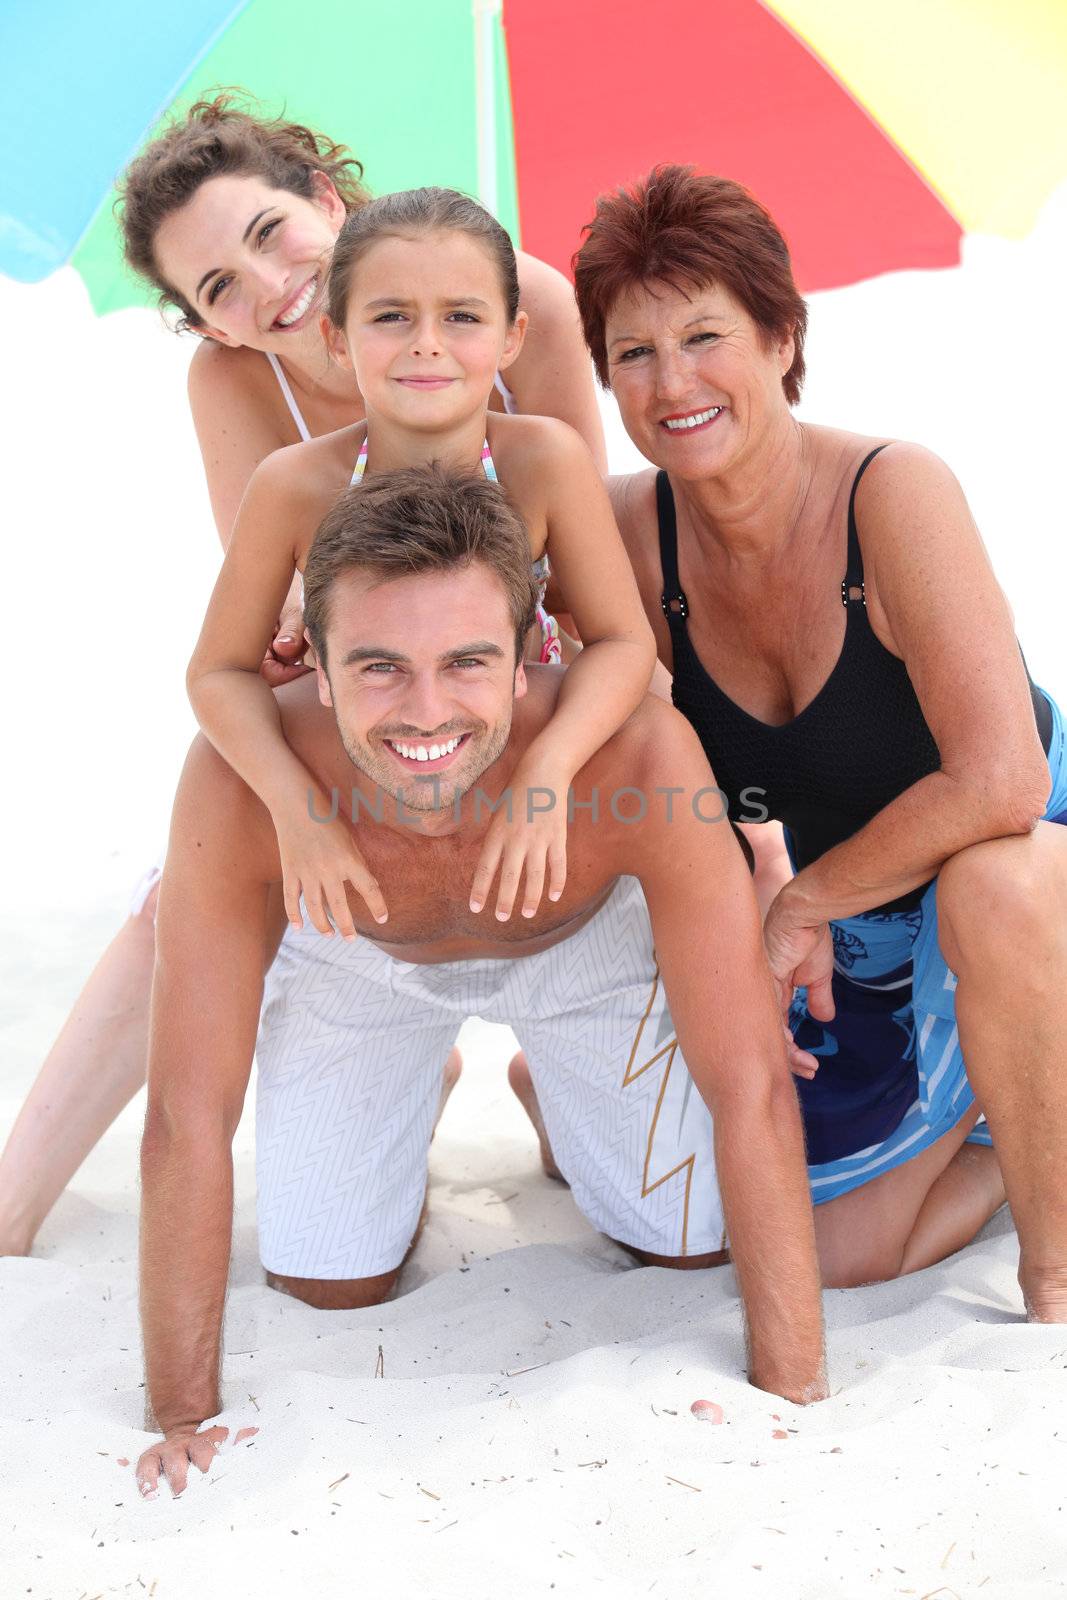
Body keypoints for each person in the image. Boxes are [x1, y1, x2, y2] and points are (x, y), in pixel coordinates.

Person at [134, 465, 826, 1497]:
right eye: (376, 667)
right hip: (359, 955)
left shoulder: (634, 756)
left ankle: (548, 1088)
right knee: (327, 1282)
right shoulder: (243, 776)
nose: (424, 711)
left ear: (519, 664)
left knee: (686, 1248)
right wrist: (181, 1412)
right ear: (313, 669)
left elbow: (750, 1084)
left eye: (466, 662)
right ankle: (422, 1075)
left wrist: (793, 1389)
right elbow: (187, 1112)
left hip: (576, 953)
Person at [0, 94, 608, 1255]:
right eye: (217, 289)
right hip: (364, 693)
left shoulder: (517, 299)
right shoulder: (236, 388)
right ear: (206, 326)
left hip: (527, 674)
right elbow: (274, 612)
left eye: (270, 233)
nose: (266, 286)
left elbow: (600, 548)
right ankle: (16, 1197)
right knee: (191, 865)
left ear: (328, 200)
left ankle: (550, 1082)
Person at [572, 165, 1067, 1312]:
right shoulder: (630, 534)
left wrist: (799, 903)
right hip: (866, 905)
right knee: (819, 1248)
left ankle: (1051, 1264)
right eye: (631, 351)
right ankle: (1009, 1119)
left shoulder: (891, 491)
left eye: (705, 336)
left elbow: (1001, 777)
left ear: (782, 337)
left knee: (1000, 884)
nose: (670, 381)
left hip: (1021, 852)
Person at [185, 185, 655, 935]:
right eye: (391, 317)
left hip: (528, 735)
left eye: (462, 316)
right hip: (373, 758)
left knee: (664, 741)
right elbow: (217, 671)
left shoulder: (542, 460)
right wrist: (298, 813)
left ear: (511, 337)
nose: (426, 343)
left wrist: (547, 772)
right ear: (339, 339)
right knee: (208, 780)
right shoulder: (293, 486)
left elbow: (623, 640)